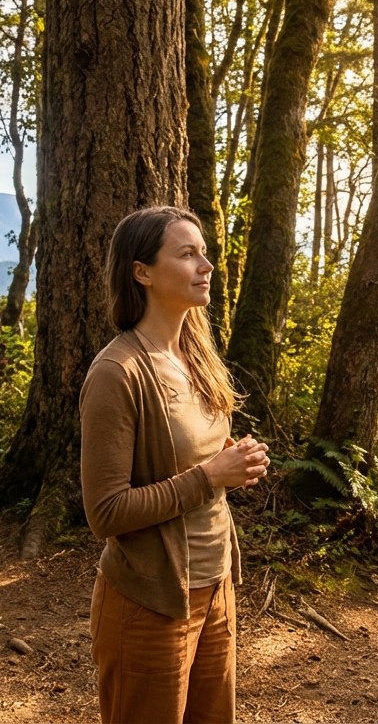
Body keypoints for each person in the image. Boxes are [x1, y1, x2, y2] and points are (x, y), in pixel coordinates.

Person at [80, 206, 270, 724]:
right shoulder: (116, 373)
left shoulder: (196, 353)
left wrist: (235, 459)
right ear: (142, 272)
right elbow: (106, 512)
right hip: (150, 601)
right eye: (187, 254)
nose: (205, 265)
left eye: (203, 252)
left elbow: (193, 452)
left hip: (217, 590)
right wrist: (211, 476)